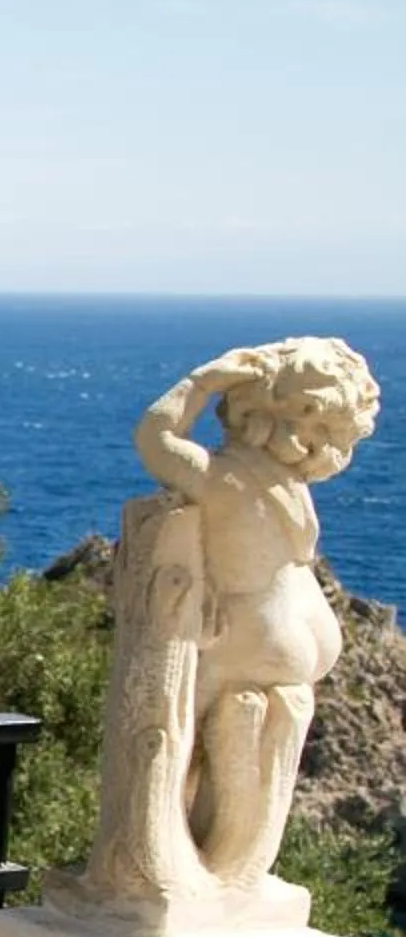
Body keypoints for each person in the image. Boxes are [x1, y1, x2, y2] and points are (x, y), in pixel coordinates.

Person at [113, 338, 378, 895]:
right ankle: (231, 869)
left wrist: (201, 383)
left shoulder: (225, 477)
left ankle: (177, 863)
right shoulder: (292, 491)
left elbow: (155, 439)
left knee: (176, 746)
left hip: (253, 634)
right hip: (297, 633)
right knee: (249, 739)